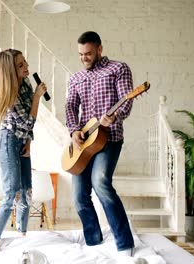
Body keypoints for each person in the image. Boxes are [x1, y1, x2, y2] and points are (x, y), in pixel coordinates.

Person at [65, 31, 135, 256]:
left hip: (110, 137)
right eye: (80, 54)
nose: (84, 57)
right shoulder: (76, 78)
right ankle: (94, 242)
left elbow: (126, 102)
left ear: (99, 49)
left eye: (88, 53)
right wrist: (74, 130)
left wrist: (114, 116)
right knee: (78, 195)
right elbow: (70, 107)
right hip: (85, 143)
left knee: (100, 182)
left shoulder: (118, 69)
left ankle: (125, 243)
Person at [0, 48, 47, 247]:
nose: (26, 66)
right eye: (20, 65)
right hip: (8, 142)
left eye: (25, 62)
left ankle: (22, 237)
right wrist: (37, 98)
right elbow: (27, 122)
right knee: (12, 194)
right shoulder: (10, 95)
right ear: (11, 71)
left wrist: (28, 142)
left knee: (27, 191)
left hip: (21, 141)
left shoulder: (26, 83)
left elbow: (28, 128)